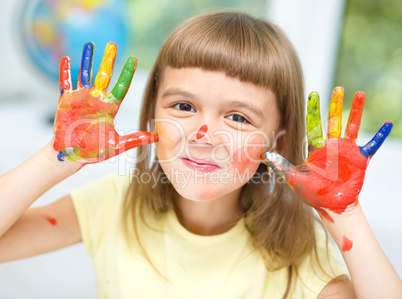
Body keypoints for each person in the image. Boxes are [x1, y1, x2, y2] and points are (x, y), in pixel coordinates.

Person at [0, 10, 401, 299]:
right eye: (184, 107)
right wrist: (58, 157)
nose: (203, 136)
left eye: (238, 117)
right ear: (152, 114)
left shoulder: (297, 251)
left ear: (277, 143)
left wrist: (344, 214)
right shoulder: (114, 202)